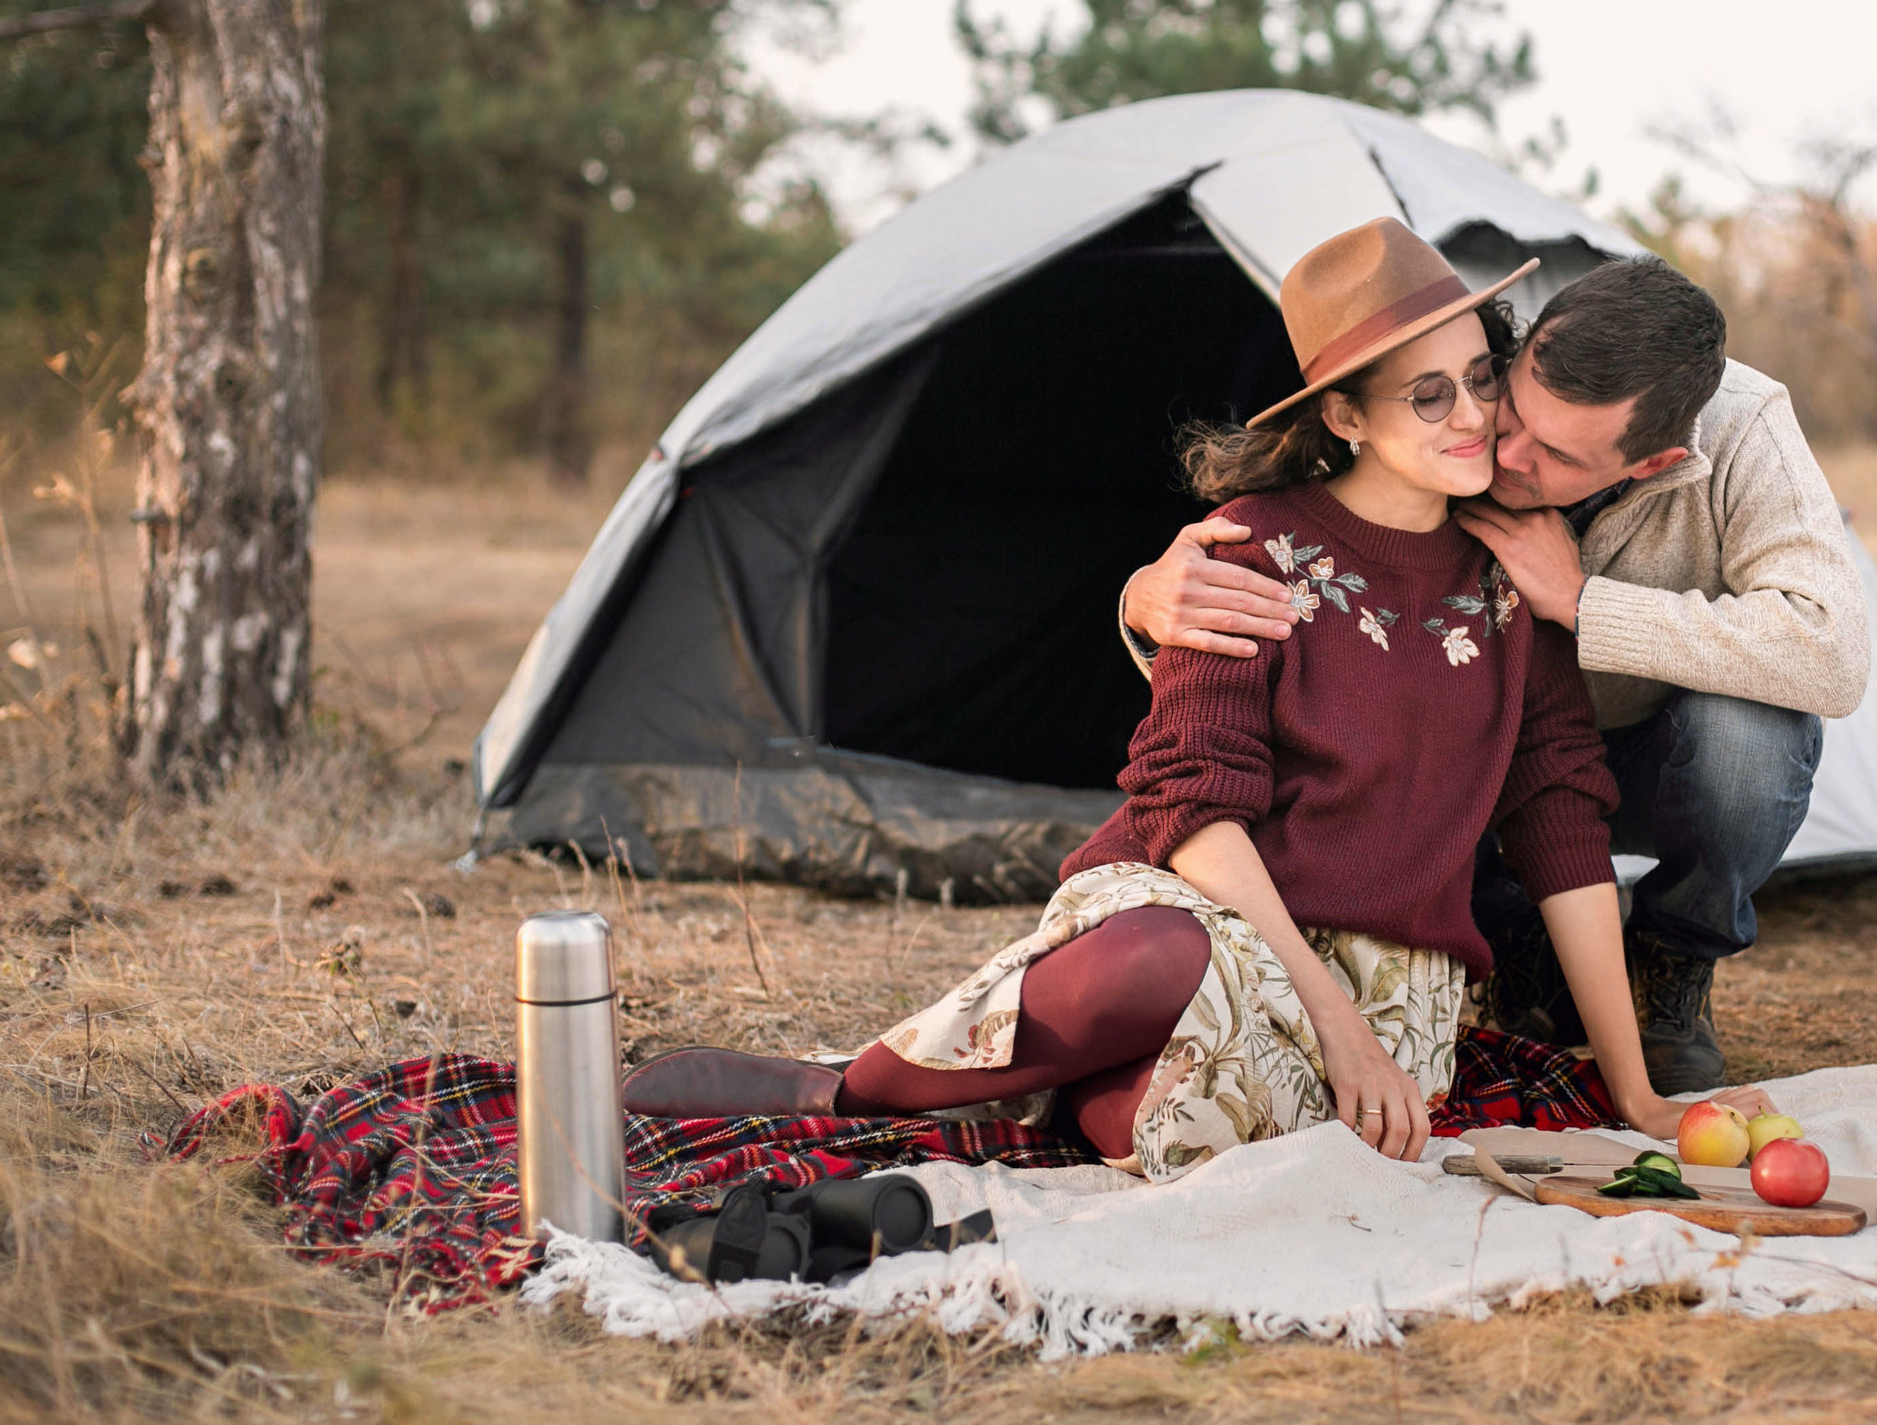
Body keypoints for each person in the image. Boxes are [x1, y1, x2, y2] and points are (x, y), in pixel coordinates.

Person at [623, 220, 1769, 1170]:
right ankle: (858, 1087)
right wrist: (1321, 1013)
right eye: (1427, 397)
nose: (1474, 417)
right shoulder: (1249, 551)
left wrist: (1637, 1089)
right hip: (1218, 916)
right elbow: (1193, 811)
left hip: (1400, 979)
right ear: (1345, 415)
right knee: (1161, 961)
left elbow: (1560, 814)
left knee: (1186, 1134)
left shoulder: (1520, 574)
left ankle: (1062, 1089)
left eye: (1478, 378)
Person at [1121, 253, 1869, 1095]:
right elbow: (1291, 586)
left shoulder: (1744, 431)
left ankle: (1669, 966)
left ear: (1652, 461)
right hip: (1457, 762)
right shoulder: (1441, 404)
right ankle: (1520, 948)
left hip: (1634, 750)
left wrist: (1584, 604)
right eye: (1502, 396)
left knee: (1749, 739)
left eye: (1549, 452)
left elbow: (1833, 652)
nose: (1495, 442)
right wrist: (1141, 600)